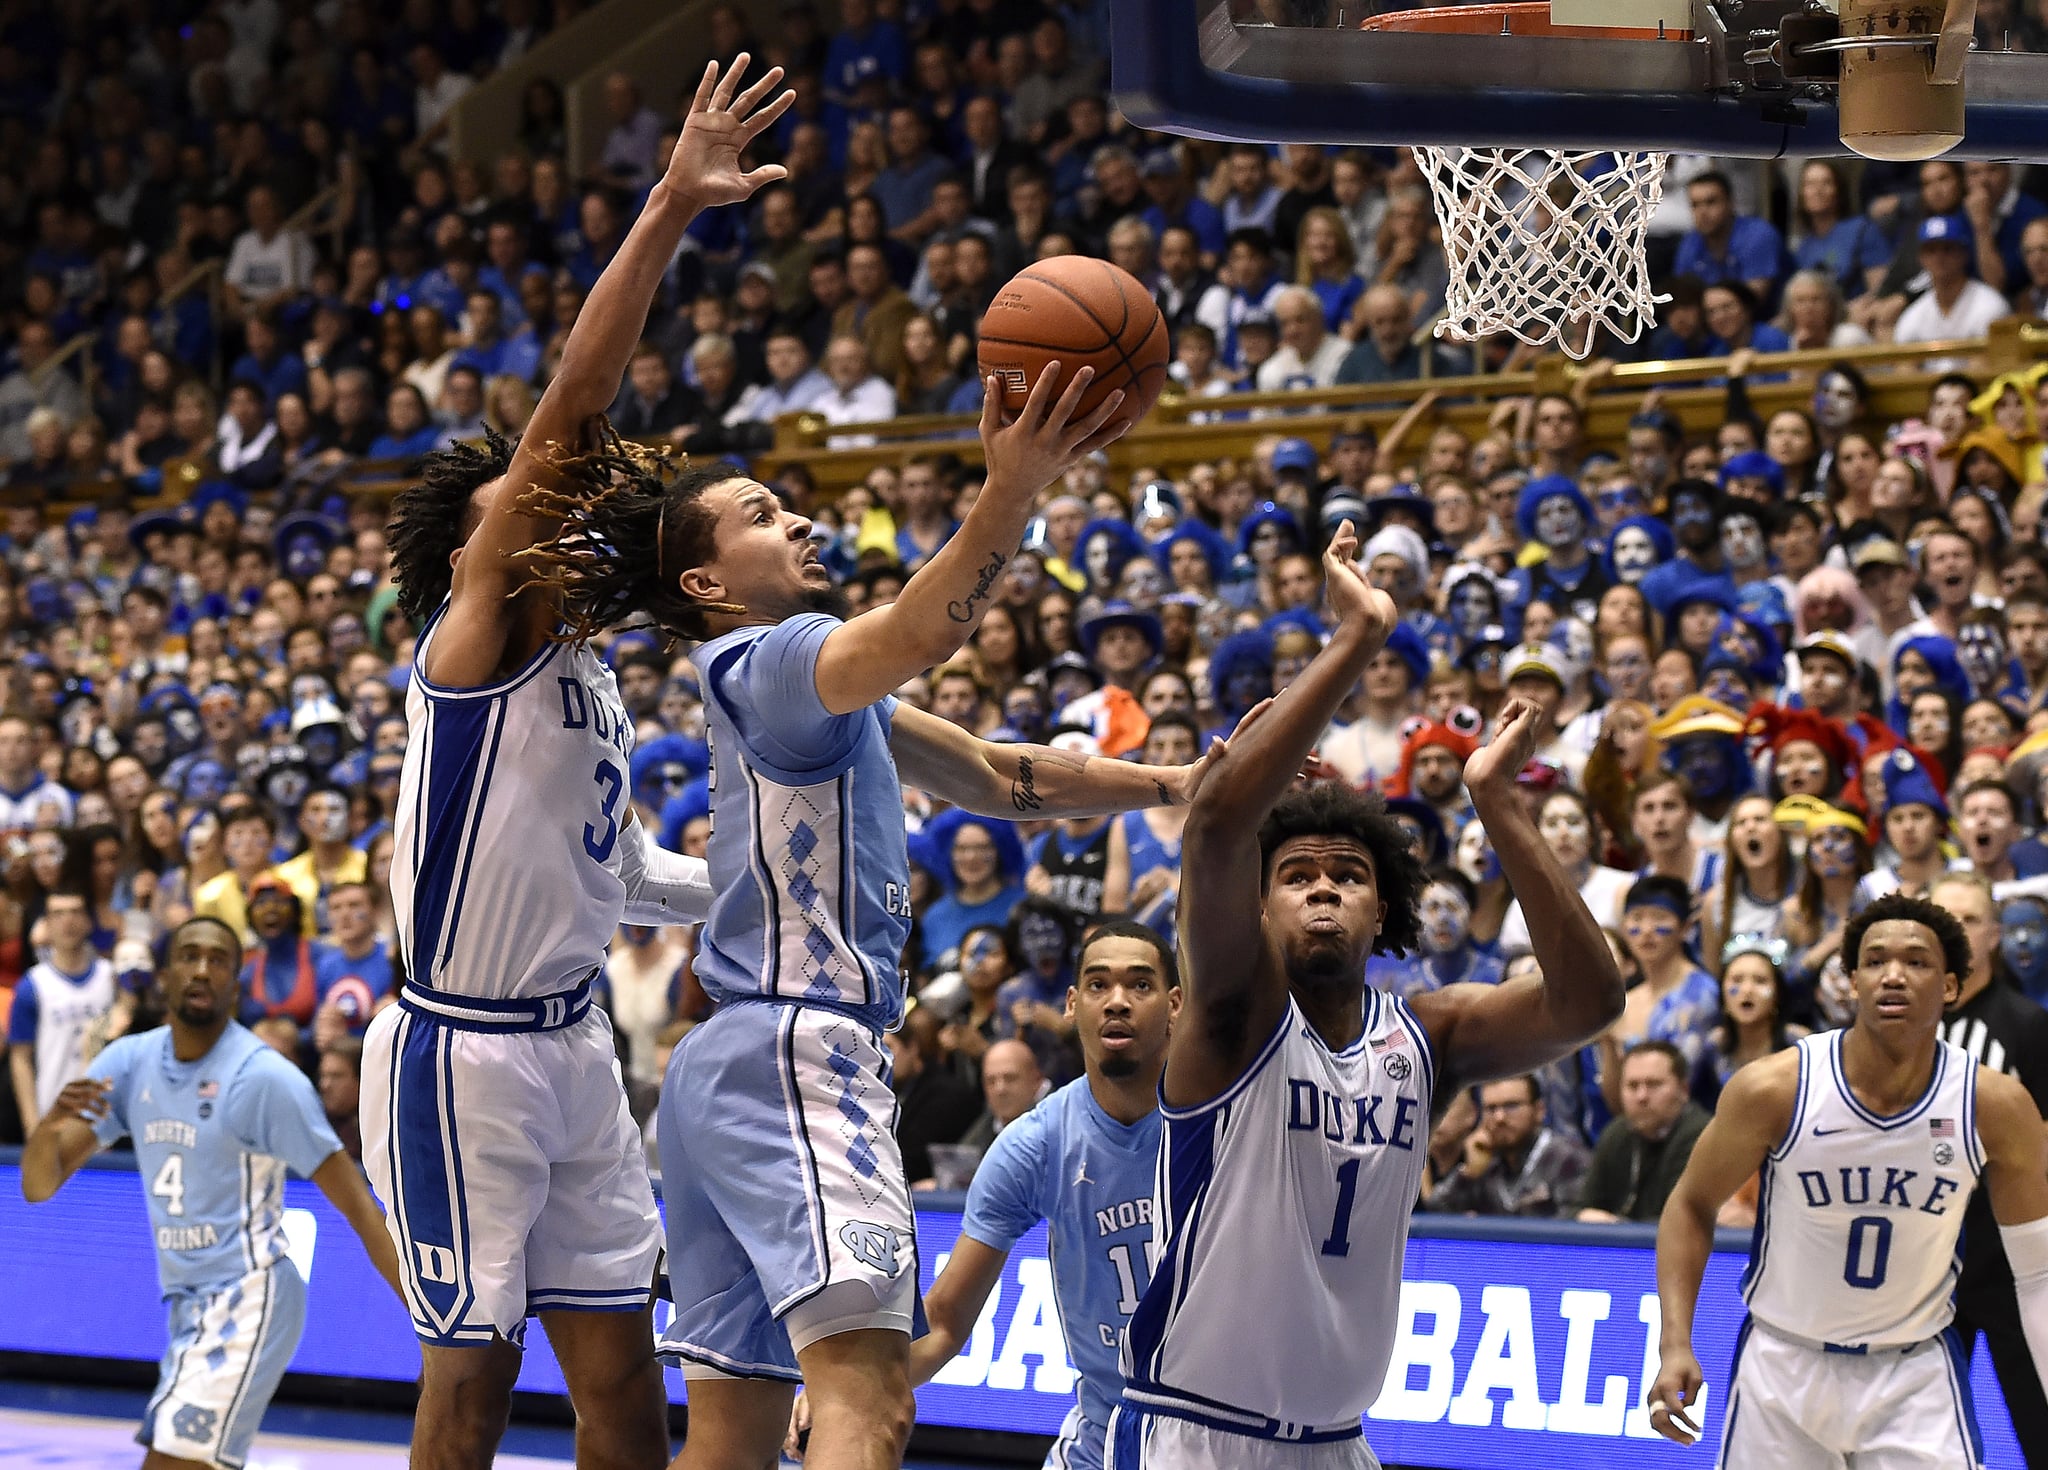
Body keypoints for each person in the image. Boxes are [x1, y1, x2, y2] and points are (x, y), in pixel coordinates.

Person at [517, 228, 1215, 1470]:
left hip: (720, 1069)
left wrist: (1178, 778)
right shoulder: (776, 660)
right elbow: (920, 630)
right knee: (870, 1403)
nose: (799, 526)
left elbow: (1007, 777)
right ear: (707, 583)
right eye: (762, 516)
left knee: (728, 1433)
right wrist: (1011, 487)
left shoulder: (817, 693)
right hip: (799, 1050)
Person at [362, 58, 784, 1470]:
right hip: (456, 1051)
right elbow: (578, 405)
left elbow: (609, 874)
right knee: (470, 1387)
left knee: (620, 1385)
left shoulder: (590, 669)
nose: (550, 509)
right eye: (519, 505)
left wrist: (733, 879)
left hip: (573, 1042)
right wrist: (669, 204)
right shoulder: (470, 646)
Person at [1110, 522, 1625, 1468]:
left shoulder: (1428, 1036)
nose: (1319, 887)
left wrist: (1498, 802)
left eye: (1345, 874)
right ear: (1258, 908)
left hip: (1340, 1444)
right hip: (1194, 1433)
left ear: (1381, 904)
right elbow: (1217, 826)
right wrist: (1356, 639)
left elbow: (1590, 1003)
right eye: (1295, 872)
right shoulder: (1234, 1016)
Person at [1649, 893, 2048, 1463]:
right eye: (1875, 960)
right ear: (1852, 982)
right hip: (1782, 1368)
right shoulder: (1776, 1089)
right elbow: (1690, 1204)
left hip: (1915, 1374)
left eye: (1916, 962)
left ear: (1953, 986)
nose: (1894, 975)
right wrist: (1675, 1343)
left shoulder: (1995, 1105)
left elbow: (2037, 1270)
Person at [18, 916, 405, 1470]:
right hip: (187, 1304)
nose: (202, 968)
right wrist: (49, 1126)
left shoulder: (266, 1080)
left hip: (249, 1295)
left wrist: (428, 1330)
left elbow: (360, 1207)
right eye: (189, 955)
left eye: (218, 959)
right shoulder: (128, 1063)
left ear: (236, 984)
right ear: (165, 975)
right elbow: (40, 1184)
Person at [794, 920, 1177, 1469]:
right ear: (1071, 1006)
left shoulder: (1224, 1119)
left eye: (1140, 985)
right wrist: (848, 1393)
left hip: (1226, 1424)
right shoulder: (1036, 1143)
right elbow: (946, 1321)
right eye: (1098, 985)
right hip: (1109, 1431)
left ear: (1176, 1004)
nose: (1117, 1001)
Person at [8, 888, 115, 1134]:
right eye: (58, 914)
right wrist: (32, 1124)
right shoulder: (33, 984)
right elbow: (20, 1058)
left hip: (106, 1121)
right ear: (46, 924)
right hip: (52, 1116)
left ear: (89, 921)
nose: (68, 921)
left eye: (76, 912)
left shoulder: (110, 977)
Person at [1574, 1041, 1710, 1223]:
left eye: (1653, 1084)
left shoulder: (1703, 1135)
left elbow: (1682, 1221)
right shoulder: (1616, 1132)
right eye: (1632, 1086)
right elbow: (1581, 1207)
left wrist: (1615, 1227)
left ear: (1683, 1090)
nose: (1641, 1096)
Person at [1423, 1073, 1590, 1218]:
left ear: (1540, 1110)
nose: (1499, 1117)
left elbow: (1572, 1229)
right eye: (1491, 1108)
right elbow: (1436, 1213)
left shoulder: (1568, 1159)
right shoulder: (1486, 1162)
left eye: (1511, 1106)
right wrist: (1468, 1174)